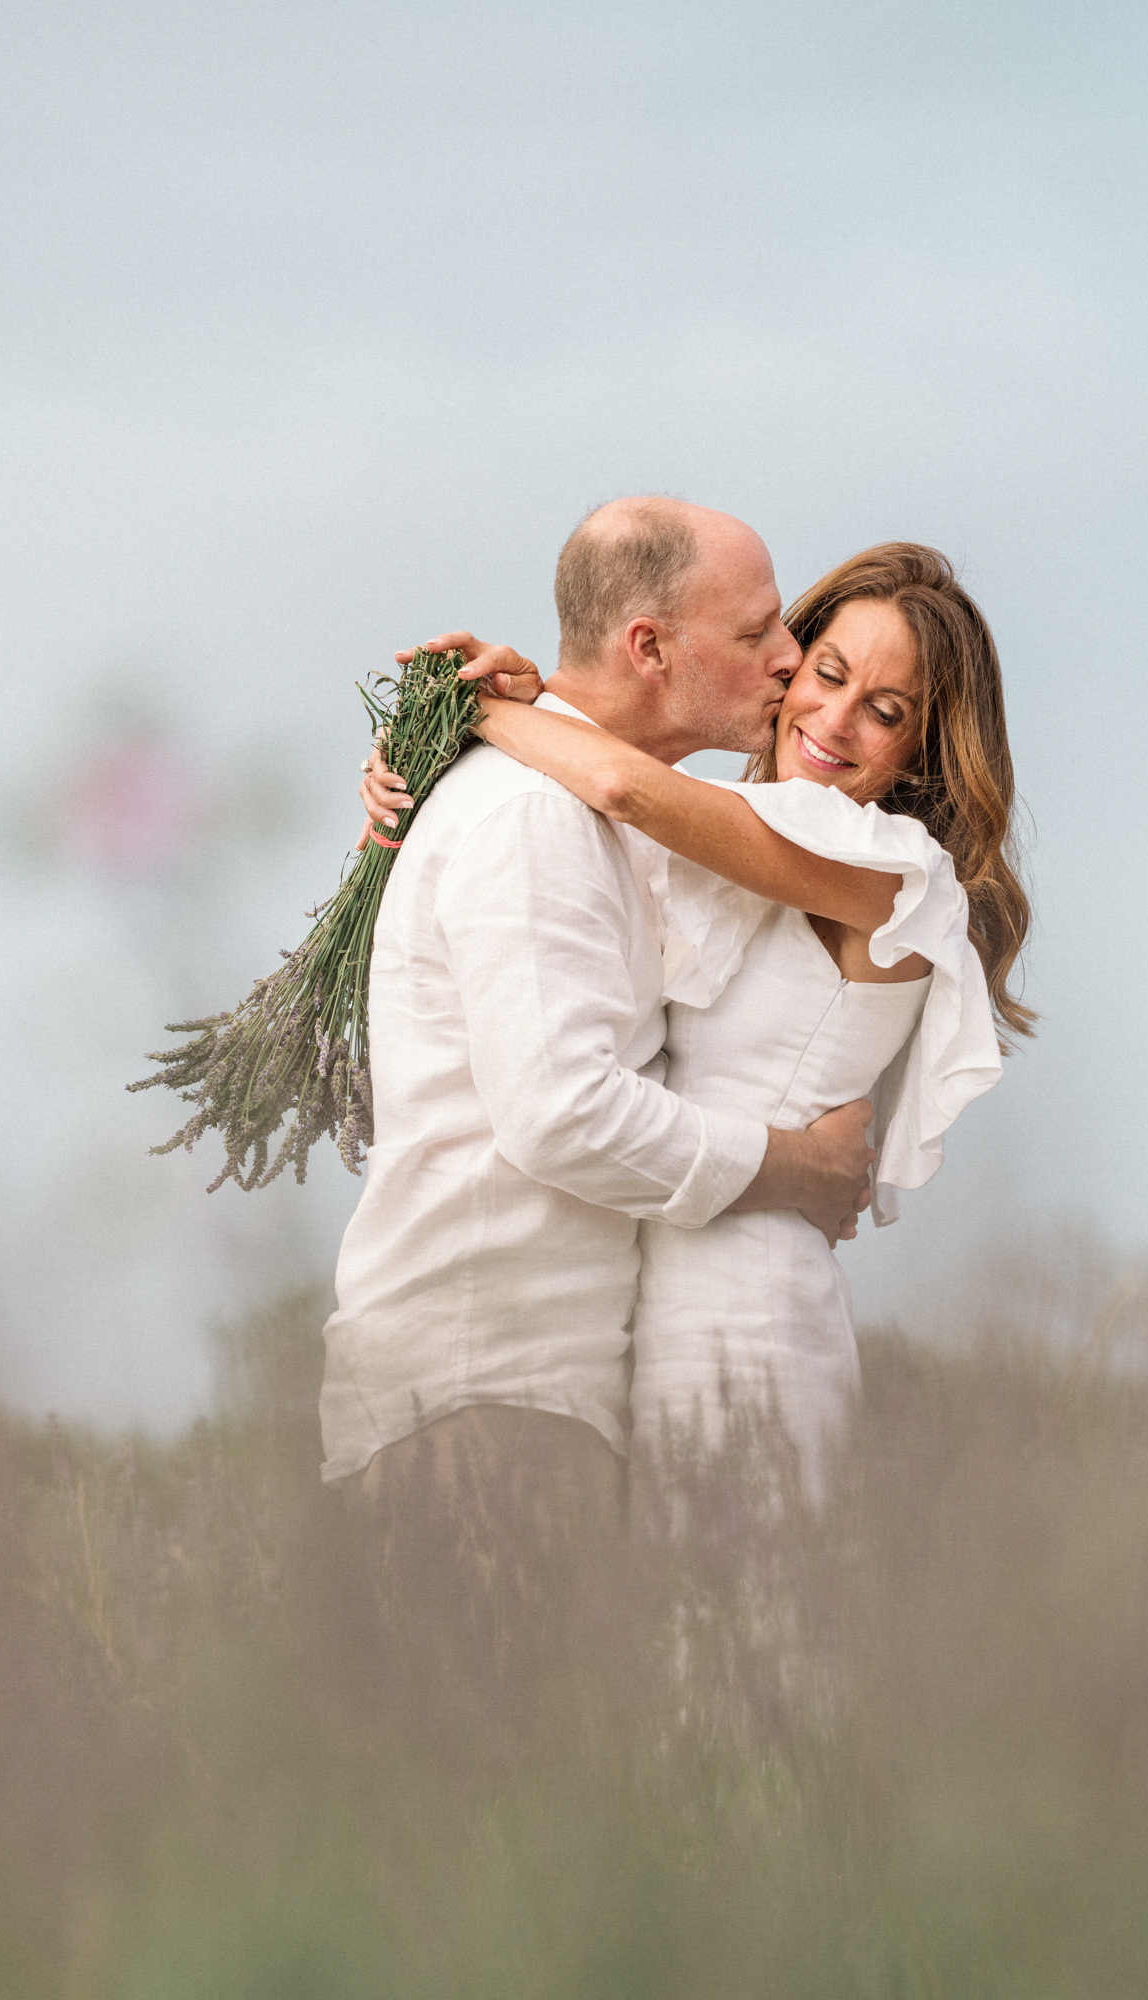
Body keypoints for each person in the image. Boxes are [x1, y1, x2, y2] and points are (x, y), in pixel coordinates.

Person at [362, 539, 1031, 1500]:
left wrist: (478, 710)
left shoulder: (892, 875)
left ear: (923, 748)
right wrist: (412, 765)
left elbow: (622, 784)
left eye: (884, 714)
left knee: (730, 1621)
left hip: (748, 1298)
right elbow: (611, 799)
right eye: (825, 673)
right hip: (651, 1293)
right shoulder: (737, 834)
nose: (833, 720)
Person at [323, 500, 883, 1557]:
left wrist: (501, 705)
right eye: (757, 629)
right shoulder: (534, 818)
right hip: (482, 1401)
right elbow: (559, 1113)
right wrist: (794, 1169)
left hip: (526, 1402)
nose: (788, 658)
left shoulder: (606, 820)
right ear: (649, 647)